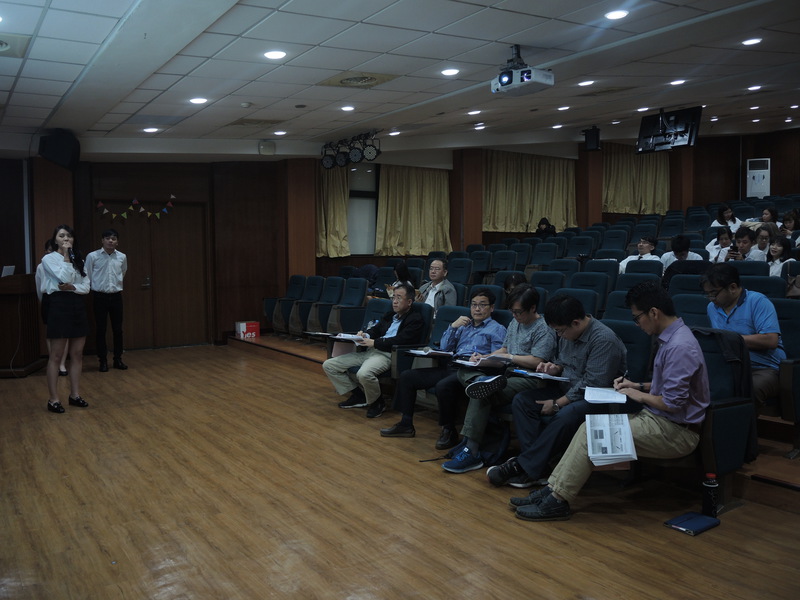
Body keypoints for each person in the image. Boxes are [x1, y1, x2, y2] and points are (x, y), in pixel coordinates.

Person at [511, 281, 710, 522]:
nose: (637, 324)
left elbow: (673, 403)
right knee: (589, 429)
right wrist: (637, 386)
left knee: (590, 432)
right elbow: (668, 387)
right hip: (658, 420)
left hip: (675, 432)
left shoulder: (680, 346)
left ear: (653, 313)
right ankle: (552, 490)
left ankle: (558, 500)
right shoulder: (673, 339)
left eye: (637, 318)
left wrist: (638, 395)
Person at [486, 294, 627, 488]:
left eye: (560, 331)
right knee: (523, 401)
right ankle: (538, 469)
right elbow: (563, 362)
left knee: (567, 413)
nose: (559, 336)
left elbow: (593, 383)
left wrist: (558, 403)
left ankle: (524, 466)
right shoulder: (568, 331)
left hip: (595, 397)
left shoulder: (603, 339)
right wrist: (554, 367)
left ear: (575, 323)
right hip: (566, 387)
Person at [439, 284, 557, 473]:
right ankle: (479, 382)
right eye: (512, 312)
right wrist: (484, 358)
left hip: (530, 377)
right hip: (508, 374)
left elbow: (537, 360)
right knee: (463, 372)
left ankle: (471, 450)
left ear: (533, 308)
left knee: (481, 392)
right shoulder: (515, 322)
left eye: (518, 312)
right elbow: (504, 349)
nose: (515, 316)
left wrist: (510, 357)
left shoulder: (543, 328)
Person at [379, 287, 506, 444]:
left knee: (443, 386)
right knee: (407, 377)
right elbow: (445, 348)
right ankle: (405, 424)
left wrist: (481, 359)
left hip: (472, 372)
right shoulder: (464, 325)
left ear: (491, 308)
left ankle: (449, 430)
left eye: (482, 305)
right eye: (474, 304)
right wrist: (453, 326)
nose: (477, 309)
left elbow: (498, 359)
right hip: (452, 366)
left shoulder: (497, 329)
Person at [323, 283, 425, 418]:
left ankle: (377, 403)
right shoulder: (390, 315)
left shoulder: (415, 319)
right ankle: (359, 396)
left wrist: (375, 342)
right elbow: (376, 329)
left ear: (409, 302)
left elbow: (401, 340)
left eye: (399, 298)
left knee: (364, 374)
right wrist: (365, 335)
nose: (394, 301)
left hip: (388, 355)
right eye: (393, 297)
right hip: (371, 351)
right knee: (329, 365)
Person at [701, 263, 785, 407]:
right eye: (707, 294)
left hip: (764, 368)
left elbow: (771, 340)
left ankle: (743, 422)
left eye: (714, 293)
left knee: (750, 388)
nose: (711, 298)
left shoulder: (758, 302)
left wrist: (731, 339)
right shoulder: (712, 308)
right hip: (731, 367)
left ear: (733, 287)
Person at [40, 225, 91, 413]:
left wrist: (73, 287)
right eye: (61, 236)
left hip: (77, 304)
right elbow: (62, 277)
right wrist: (67, 256)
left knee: (77, 354)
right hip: (58, 304)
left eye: (69, 236)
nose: (66, 239)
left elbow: (86, 287)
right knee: (56, 355)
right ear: (55, 240)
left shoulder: (80, 260)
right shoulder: (49, 259)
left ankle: (75, 395)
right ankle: (53, 399)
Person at [85, 228, 128, 371]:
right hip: (99, 297)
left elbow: (123, 272)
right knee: (101, 329)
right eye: (108, 238)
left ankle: (118, 359)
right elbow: (87, 275)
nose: (110, 241)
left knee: (118, 330)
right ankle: (102, 361)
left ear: (117, 242)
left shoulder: (122, 257)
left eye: (113, 238)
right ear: (102, 240)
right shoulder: (93, 256)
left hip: (116, 296)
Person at [35, 240, 69, 377]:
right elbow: (39, 287)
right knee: (51, 333)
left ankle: (62, 364)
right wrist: (44, 301)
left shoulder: (65, 265)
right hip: (48, 299)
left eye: (54, 250)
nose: (52, 253)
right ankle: (53, 361)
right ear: (45, 251)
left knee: (65, 333)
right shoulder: (41, 266)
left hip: (63, 298)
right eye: (49, 250)